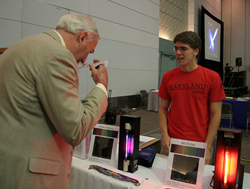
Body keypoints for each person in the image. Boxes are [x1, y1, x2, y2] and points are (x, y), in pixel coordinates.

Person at [0, 14, 108, 188]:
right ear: (82, 37)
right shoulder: (59, 56)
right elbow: (76, 129)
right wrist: (101, 87)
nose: (84, 60)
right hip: (28, 176)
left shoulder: (21, 46)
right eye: (89, 51)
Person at [158, 31, 225, 164]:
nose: (178, 52)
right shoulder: (168, 77)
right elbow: (163, 109)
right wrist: (165, 135)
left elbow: (216, 114)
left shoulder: (212, 77)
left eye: (183, 48)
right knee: (163, 182)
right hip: (171, 142)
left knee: (195, 182)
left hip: (199, 144)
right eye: (176, 48)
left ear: (195, 51)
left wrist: (207, 146)